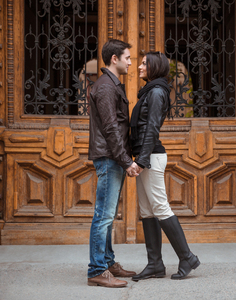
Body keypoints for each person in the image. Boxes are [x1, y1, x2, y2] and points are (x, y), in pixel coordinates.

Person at [130, 51, 200, 281]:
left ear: (154, 67)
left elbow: (152, 129)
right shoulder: (151, 91)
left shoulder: (157, 92)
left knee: (160, 208)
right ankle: (155, 265)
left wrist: (141, 160)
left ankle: (187, 257)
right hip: (145, 156)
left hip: (150, 157)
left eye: (143, 64)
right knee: (147, 211)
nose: (139, 67)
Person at [87, 39, 139, 288]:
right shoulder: (107, 87)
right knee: (103, 216)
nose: (131, 62)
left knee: (107, 216)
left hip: (111, 156)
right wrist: (126, 161)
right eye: (127, 57)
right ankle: (97, 269)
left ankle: (107, 262)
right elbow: (110, 128)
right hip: (109, 157)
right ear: (114, 59)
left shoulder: (111, 84)